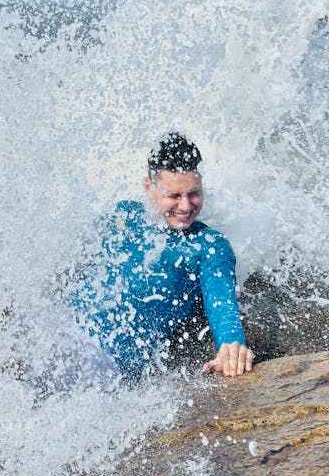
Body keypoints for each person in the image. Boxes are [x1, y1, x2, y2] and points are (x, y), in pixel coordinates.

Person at [68, 132, 253, 382]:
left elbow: (222, 301)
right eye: (174, 196)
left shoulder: (210, 246)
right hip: (64, 326)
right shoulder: (123, 216)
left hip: (102, 362)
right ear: (149, 188)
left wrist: (231, 344)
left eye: (194, 193)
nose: (186, 206)